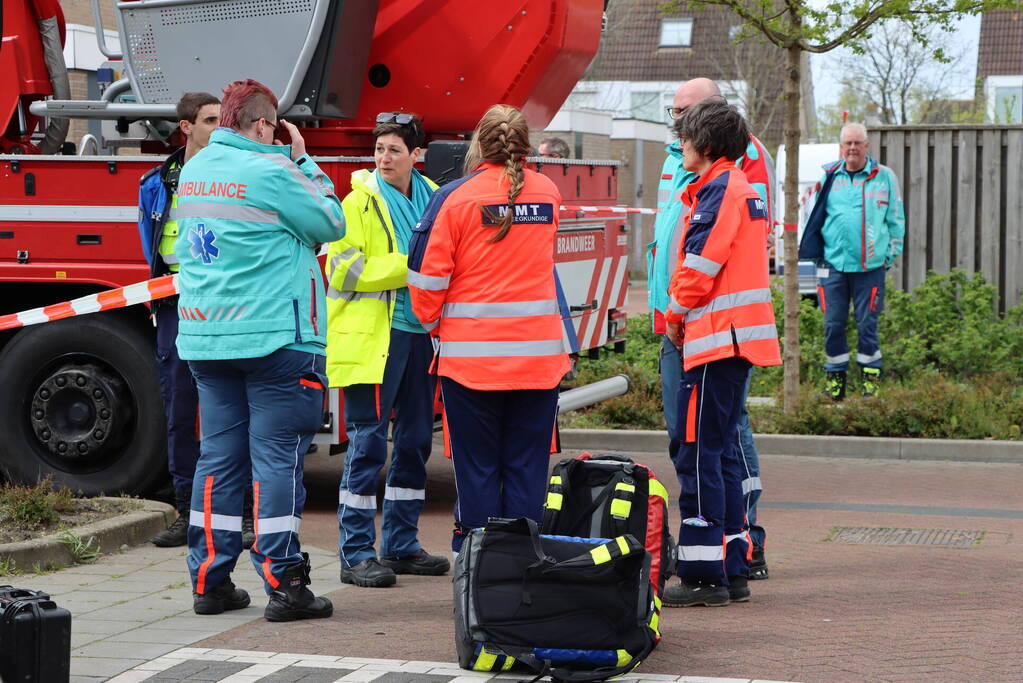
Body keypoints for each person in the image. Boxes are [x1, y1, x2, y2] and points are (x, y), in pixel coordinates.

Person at [174, 79, 344, 621]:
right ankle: (284, 584)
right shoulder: (276, 170)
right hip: (276, 340)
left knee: (217, 461)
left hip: (205, 338)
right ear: (265, 124)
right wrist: (304, 160)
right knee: (277, 462)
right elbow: (330, 222)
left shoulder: (195, 169)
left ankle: (209, 581)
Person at [407, 104, 569, 554]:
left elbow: (424, 283)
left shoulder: (454, 198)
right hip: (538, 363)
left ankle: (477, 570)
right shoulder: (548, 193)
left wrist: (436, 323)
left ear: (478, 144)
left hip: (471, 365)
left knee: (476, 469)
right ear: (526, 146)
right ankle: (521, 568)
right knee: (527, 467)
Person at [647, 77, 775, 579]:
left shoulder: (721, 187)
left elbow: (699, 266)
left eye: (685, 125)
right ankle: (732, 560)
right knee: (712, 451)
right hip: (719, 337)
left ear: (705, 139)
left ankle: (706, 573)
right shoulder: (721, 184)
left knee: (701, 455)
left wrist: (675, 316)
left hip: (711, 338)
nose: (678, 136)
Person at [326, 112, 449, 587]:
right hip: (374, 339)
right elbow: (345, 270)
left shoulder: (435, 196)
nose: (383, 159)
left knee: (416, 442)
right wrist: (413, 265)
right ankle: (356, 553)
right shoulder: (357, 202)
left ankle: (400, 545)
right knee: (368, 444)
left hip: (421, 334)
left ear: (416, 155)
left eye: (394, 150)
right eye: (379, 150)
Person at [139, 92, 257, 549]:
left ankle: (243, 513)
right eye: (209, 120)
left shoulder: (233, 175)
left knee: (233, 414)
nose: (217, 126)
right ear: (185, 127)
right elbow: (151, 245)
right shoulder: (158, 181)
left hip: (222, 304)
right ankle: (187, 511)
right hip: (174, 308)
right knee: (179, 411)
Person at [800, 122, 905, 400]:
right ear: (841, 147)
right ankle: (836, 385)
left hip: (870, 269)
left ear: (867, 146)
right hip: (833, 267)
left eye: (857, 143)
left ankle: (870, 384)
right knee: (832, 325)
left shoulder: (884, 177)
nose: (852, 148)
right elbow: (808, 214)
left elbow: (896, 221)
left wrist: (888, 257)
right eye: (848, 143)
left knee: (867, 326)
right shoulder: (828, 178)